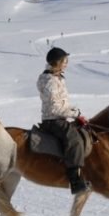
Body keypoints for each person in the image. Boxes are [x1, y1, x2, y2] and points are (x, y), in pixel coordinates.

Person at [37, 47, 91, 194]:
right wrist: (75, 113)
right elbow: (55, 109)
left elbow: (62, 104)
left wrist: (75, 113)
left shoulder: (57, 78)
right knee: (74, 139)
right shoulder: (50, 81)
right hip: (53, 120)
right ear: (57, 63)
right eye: (64, 61)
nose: (66, 63)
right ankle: (75, 180)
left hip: (60, 117)